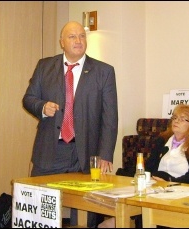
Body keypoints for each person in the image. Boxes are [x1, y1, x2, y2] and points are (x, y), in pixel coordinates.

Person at [22, 21, 118, 227]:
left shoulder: (104, 71)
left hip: (86, 153)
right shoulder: (44, 66)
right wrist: (41, 106)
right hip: (50, 150)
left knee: (85, 214)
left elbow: (110, 117)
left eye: (82, 36)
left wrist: (106, 154)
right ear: (62, 42)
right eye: (72, 37)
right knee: (37, 209)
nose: (78, 41)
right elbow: (28, 99)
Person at [145, 104, 189, 185]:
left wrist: (170, 181)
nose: (176, 121)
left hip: (186, 190)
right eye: (175, 118)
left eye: (182, 119)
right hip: (158, 187)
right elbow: (148, 168)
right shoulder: (162, 141)